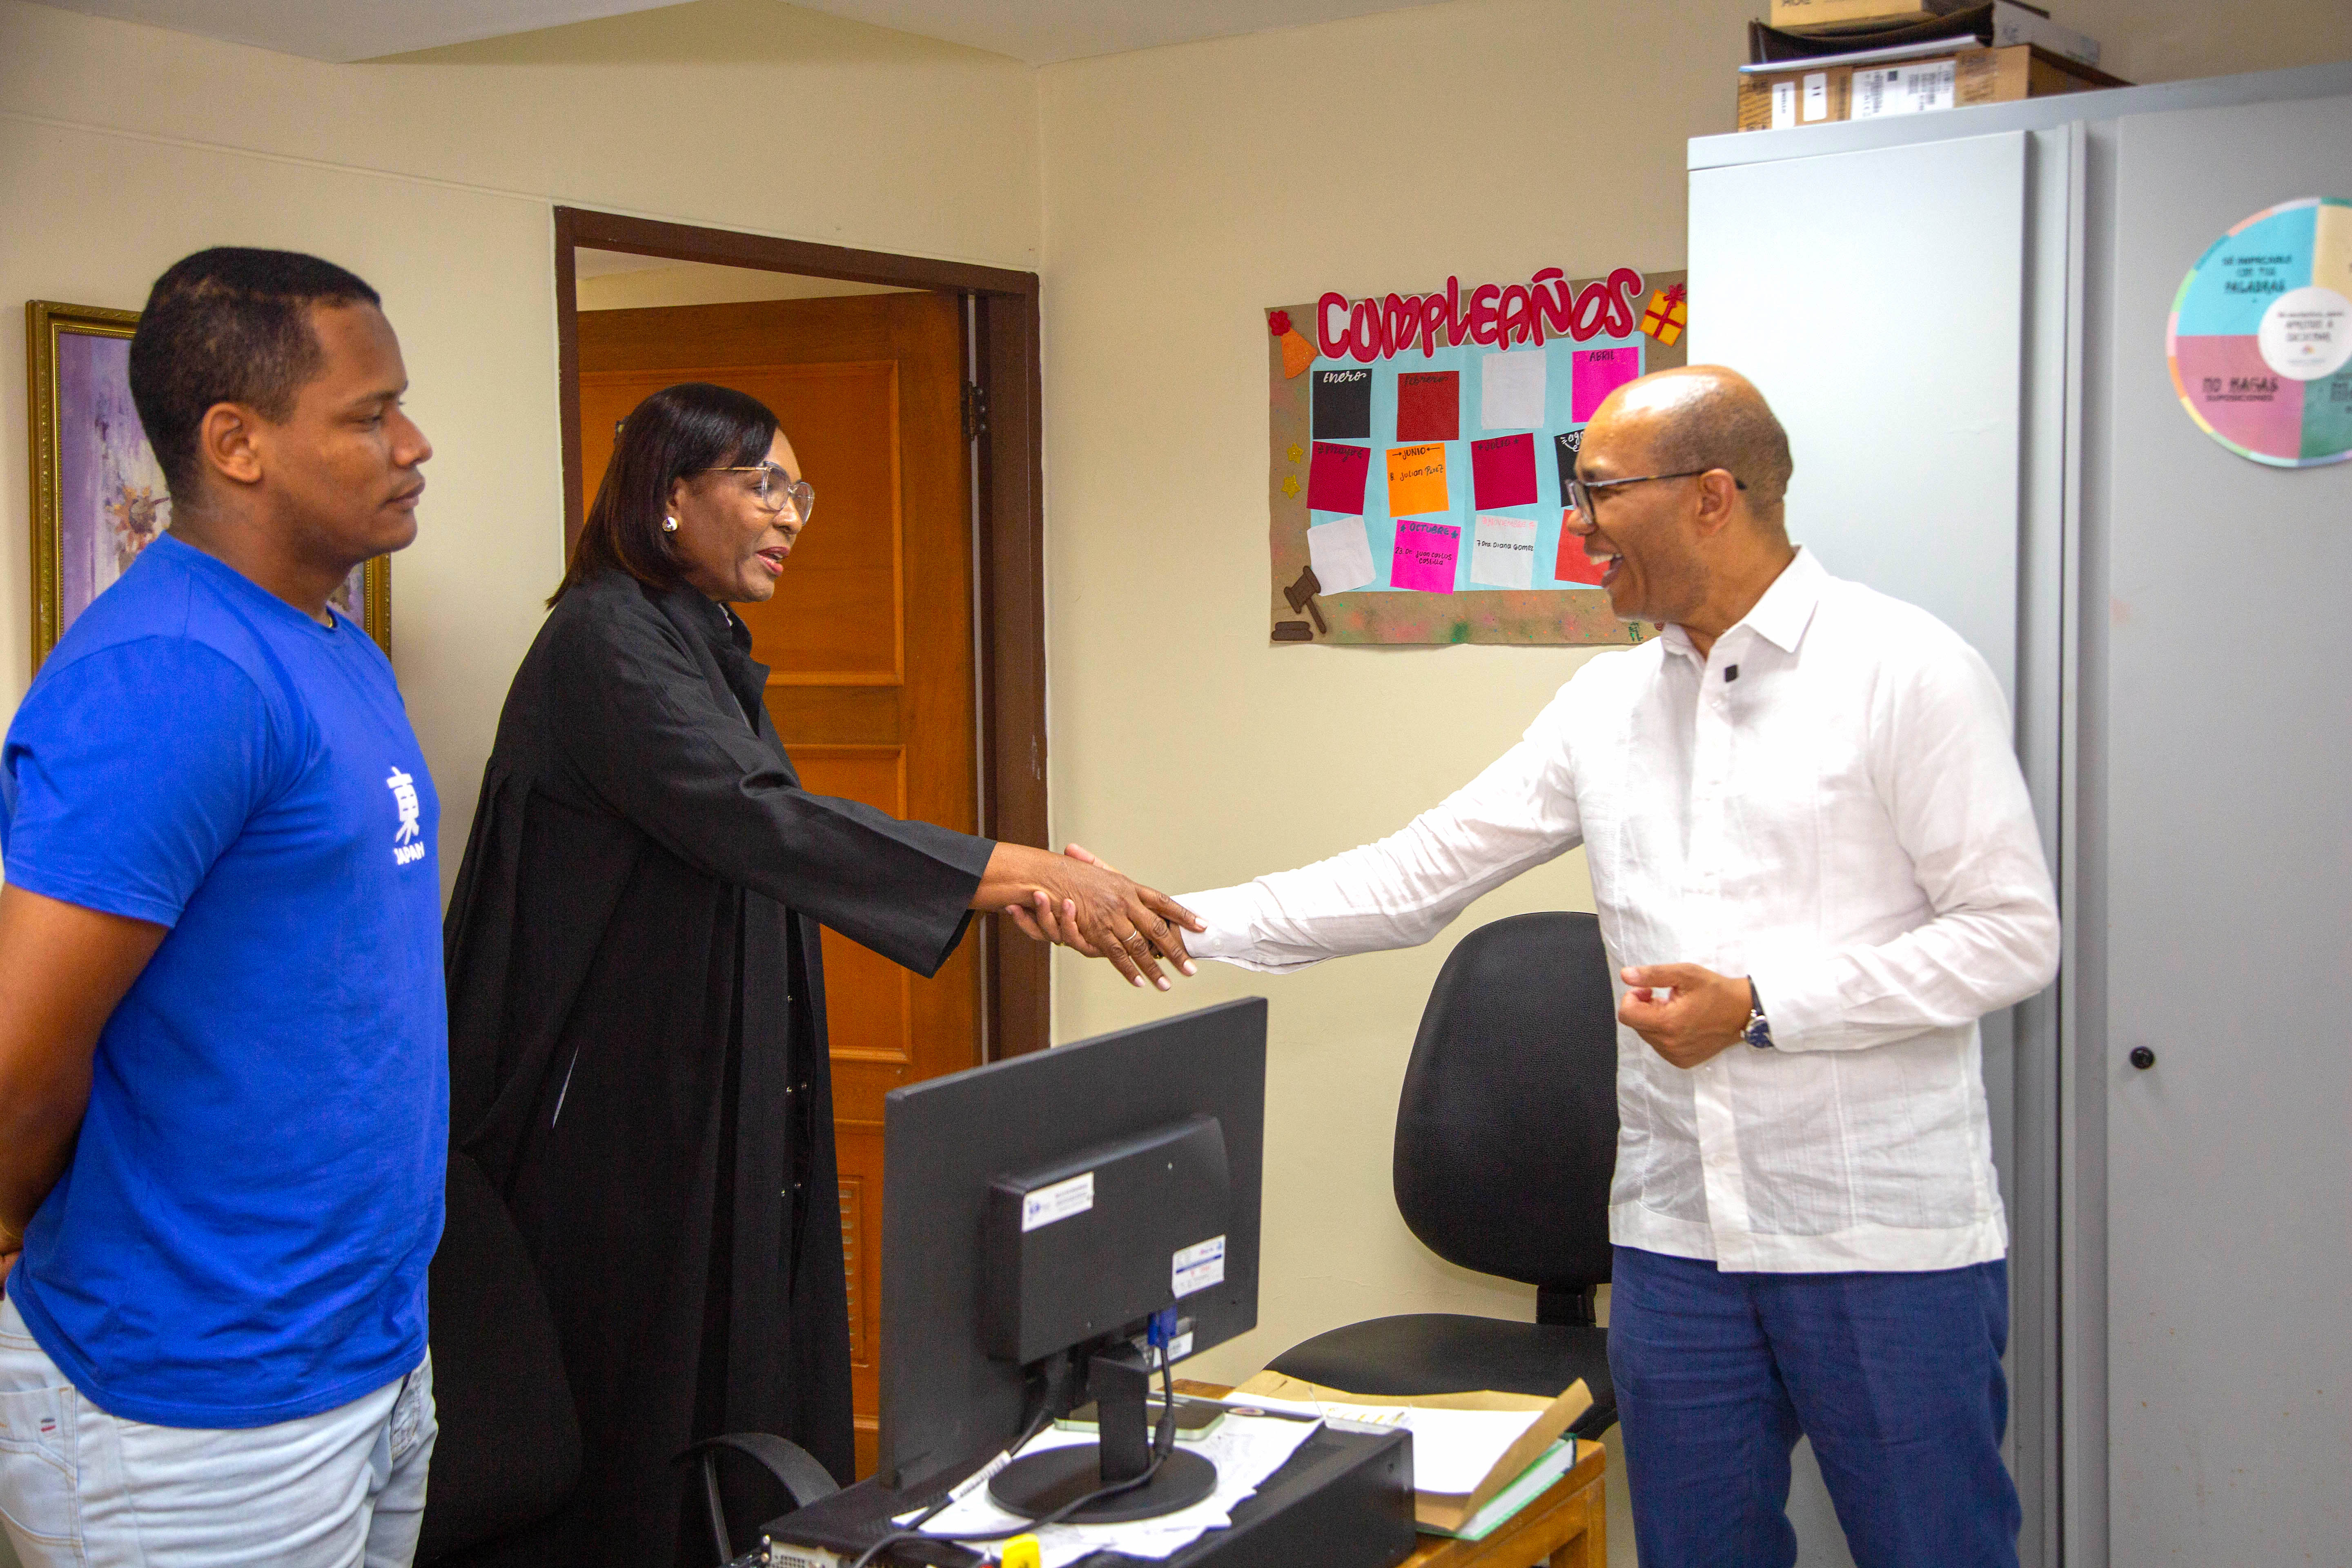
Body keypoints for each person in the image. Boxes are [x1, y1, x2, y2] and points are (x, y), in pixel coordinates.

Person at [1023, 366, 2060, 1568]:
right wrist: (1165, 920)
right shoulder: (1606, 705)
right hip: (1677, 1242)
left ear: (1713, 495)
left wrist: (1762, 1009)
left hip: (1876, 1240)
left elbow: (2010, 932)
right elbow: (1415, 876)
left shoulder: (1905, 669)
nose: (1578, 529)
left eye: (1601, 494)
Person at [434, 381, 1198, 1567]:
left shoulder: (692, 636)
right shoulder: (602, 641)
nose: (791, 515)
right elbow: (761, 821)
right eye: (764, 485)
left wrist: (1010, 886)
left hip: (703, 1089)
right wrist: (1019, 872)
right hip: (614, 1131)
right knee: (641, 1421)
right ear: (670, 496)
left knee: (744, 1385)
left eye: (801, 492)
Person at [0, 249, 443, 1566]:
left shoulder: (327, 639)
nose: (414, 444)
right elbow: (19, 1057)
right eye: (370, 415)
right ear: (237, 443)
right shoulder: (171, 673)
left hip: (362, 1354)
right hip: (191, 1411)